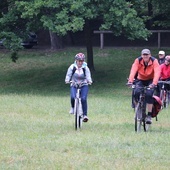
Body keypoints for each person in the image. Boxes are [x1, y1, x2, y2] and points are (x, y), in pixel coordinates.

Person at [127, 49, 160, 124]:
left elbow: (157, 72)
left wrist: (154, 83)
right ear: (141, 55)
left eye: (147, 55)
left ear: (150, 55)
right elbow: (133, 71)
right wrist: (130, 81)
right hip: (140, 79)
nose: (145, 56)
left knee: (149, 95)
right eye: (144, 55)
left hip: (151, 80)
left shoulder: (154, 61)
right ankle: (137, 108)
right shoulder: (138, 60)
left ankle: (149, 115)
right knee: (136, 92)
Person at [65, 53, 92, 122]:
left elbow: (88, 76)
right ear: (76, 60)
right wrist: (67, 80)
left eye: (82, 61)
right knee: (73, 97)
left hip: (84, 85)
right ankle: (73, 107)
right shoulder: (72, 67)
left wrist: (89, 81)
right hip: (74, 84)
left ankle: (85, 115)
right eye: (79, 61)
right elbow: (68, 74)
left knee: (83, 99)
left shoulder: (85, 68)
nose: (80, 62)